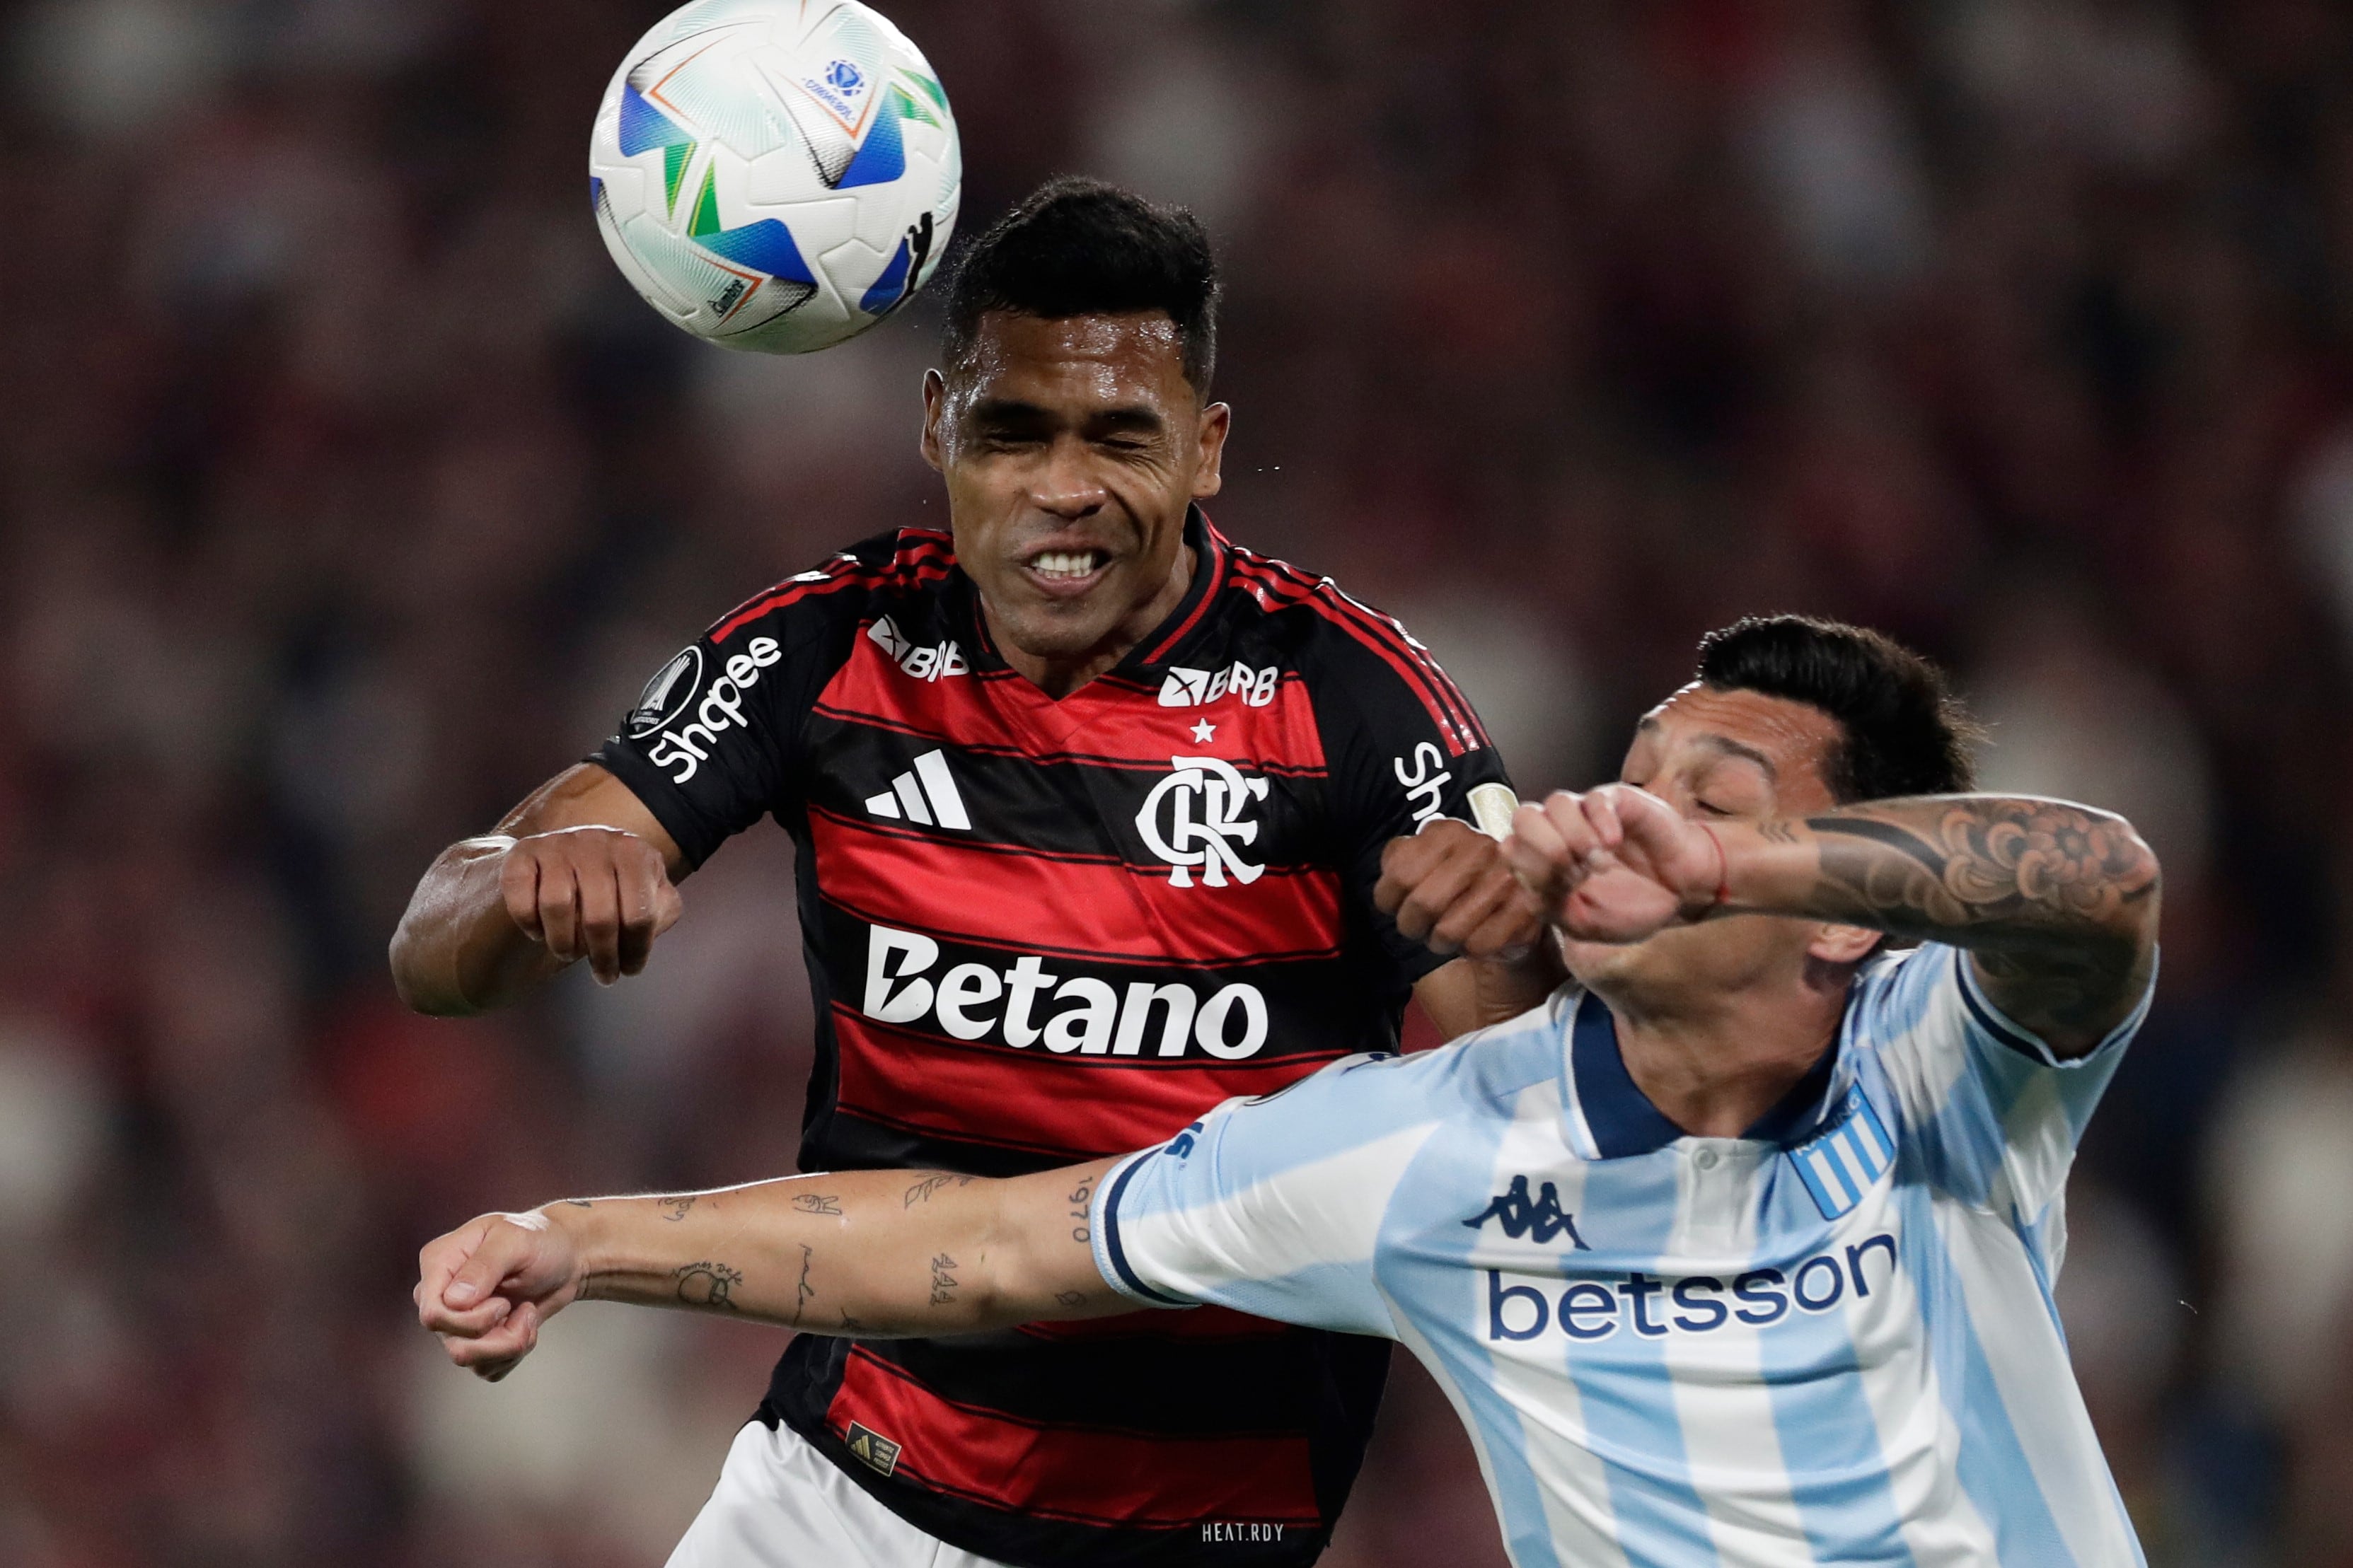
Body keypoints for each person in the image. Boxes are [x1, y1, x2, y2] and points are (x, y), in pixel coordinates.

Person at [418, 615, 2164, 1567]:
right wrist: (584, 1237)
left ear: (1844, 911)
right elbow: (1001, 1243)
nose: (1627, 809)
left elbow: (2098, 881)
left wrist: (1728, 860)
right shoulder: (1443, 1142)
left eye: (1704, 786)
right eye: (1630, 774)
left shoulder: (1944, 1061)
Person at [390, 177, 1559, 1568]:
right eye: (1014, 431)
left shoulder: (1350, 697)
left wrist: (1498, 929)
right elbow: (432, 951)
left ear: (1206, 447)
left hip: (1192, 1531)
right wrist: (532, 876)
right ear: (938, 417)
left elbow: (1536, 1096)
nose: (1062, 488)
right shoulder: (826, 643)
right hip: (834, 1495)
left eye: (1119, 436)